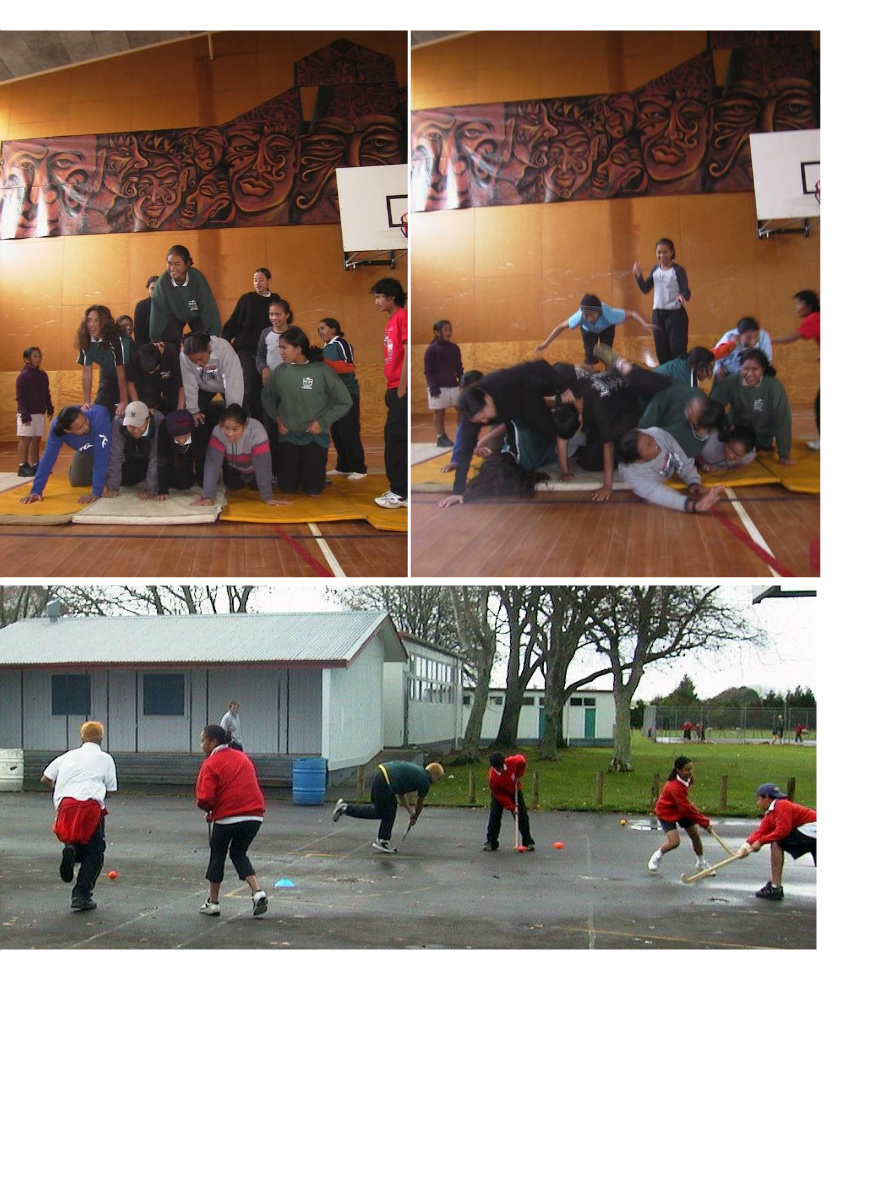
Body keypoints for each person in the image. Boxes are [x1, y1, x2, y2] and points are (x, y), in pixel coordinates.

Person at [438, 360, 578, 506]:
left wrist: (563, 389)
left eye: (484, 416)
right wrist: (458, 491)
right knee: (509, 437)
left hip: (529, 399)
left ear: (487, 399)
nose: (484, 421)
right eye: (480, 420)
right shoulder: (471, 418)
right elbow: (464, 450)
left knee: (552, 435)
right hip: (510, 414)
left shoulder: (499, 380)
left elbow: (539, 365)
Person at [261, 327, 352, 497]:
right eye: (280, 348)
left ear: (298, 348)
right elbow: (267, 397)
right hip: (288, 436)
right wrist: (277, 419)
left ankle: (316, 475)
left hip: (314, 437)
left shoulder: (323, 371)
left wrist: (322, 422)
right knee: (287, 488)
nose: (281, 352)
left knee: (314, 490)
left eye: (284, 347)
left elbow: (345, 401)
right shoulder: (280, 371)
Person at [41, 720, 117, 912]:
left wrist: (58, 790)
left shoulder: (67, 756)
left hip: (66, 805)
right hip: (90, 807)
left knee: (76, 840)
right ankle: (81, 895)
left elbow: (45, 778)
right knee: (95, 853)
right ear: (101, 738)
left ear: (82, 736)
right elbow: (111, 789)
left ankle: (72, 851)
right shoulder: (105, 759)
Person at [195, 724, 268, 917]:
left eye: (203, 740)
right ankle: (257, 892)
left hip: (228, 816)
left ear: (213, 742)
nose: (201, 745)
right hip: (255, 815)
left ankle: (213, 902)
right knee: (238, 853)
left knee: (217, 855)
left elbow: (205, 797)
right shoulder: (242, 757)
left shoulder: (211, 763)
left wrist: (209, 811)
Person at [332, 761, 445, 854]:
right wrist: (415, 816)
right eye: (438, 778)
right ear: (434, 775)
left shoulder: (418, 773)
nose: (437, 782)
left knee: (390, 807)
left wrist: (410, 812)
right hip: (385, 780)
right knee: (380, 811)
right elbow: (420, 802)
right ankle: (345, 808)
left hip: (382, 773)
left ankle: (383, 839)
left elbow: (401, 793)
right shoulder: (425, 781)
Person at [192, 404, 290, 508]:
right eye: (226, 428)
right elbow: (212, 464)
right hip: (233, 466)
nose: (230, 434)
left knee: (257, 486)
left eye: (235, 429)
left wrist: (268, 497)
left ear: (244, 425)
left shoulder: (257, 431)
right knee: (232, 485)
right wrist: (208, 497)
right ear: (222, 425)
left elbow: (262, 465)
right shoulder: (218, 431)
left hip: (254, 466)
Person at [711, 349, 794, 465]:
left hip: (760, 438)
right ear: (740, 367)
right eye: (746, 369)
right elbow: (713, 406)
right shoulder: (732, 381)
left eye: (755, 369)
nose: (750, 374)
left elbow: (782, 419)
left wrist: (784, 454)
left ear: (763, 370)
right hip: (734, 432)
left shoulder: (774, 387)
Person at [736, 782, 816, 900]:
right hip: (810, 832)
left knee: (778, 842)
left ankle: (775, 887)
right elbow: (761, 831)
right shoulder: (771, 813)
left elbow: (782, 831)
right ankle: (775, 886)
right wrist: (745, 846)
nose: (758, 803)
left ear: (766, 797)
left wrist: (761, 842)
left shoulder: (782, 805)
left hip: (812, 829)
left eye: (759, 799)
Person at [180, 331, 245, 476]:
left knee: (239, 422)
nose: (198, 363)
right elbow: (189, 383)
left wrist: (233, 415)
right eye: (194, 361)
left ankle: (236, 467)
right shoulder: (184, 355)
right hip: (203, 386)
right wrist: (193, 410)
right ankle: (201, 469)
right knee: (194, 421)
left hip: (227, 384)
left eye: (201, 359)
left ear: (208, 348)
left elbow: (233, 382)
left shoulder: (224, 349)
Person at [615, 427, 725, 512]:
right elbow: (660, 494)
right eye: (649, 445)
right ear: (639, 460)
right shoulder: (635, 477)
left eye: (650, 438)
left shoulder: (657, 434)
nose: (654, 443)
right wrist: (694, 506)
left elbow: (680, 456)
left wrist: (693, 481)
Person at [20, 404, 112, 505]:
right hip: (86, 449)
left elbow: (101, 456)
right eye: (80, 428)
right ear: (67, 431)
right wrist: (36, 490)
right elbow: (48, 457)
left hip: (110, 448)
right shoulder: (57, 428)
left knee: (116, 478)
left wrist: (96, 492)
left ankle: (109, 474)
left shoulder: (99, 416)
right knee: (78, 481)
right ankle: (100, 474)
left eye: (86, 421)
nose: (86, 427)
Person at [222, 267, 280, 420]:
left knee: (268, 386)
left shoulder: (275, 300)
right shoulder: (246, 299)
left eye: (261, 280)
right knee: (250, 384)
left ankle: (269, 421)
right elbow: (234, 322)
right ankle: (253, 420)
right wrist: (225, 340)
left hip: (268, 349)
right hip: (246, 348)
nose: (258, 283)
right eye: (255, 280)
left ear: (269, 281)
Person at [370, 277, 408, 509]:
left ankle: (400, 493)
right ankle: (400, 489)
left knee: (396, 440)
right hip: (394, 388)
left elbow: (408, 351)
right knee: (394, 438)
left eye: (378, 297)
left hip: (401, 389)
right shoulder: (391, 321)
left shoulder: (402, 317)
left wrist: (402, 387)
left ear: (391, 297)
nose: (376, 302)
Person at [534, 291, 655, 364]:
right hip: (588, 331)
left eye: (591, 315)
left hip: (606, 328)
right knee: (589, 356)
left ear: (599, 313)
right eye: (585, 315)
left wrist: (644, 323)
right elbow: (561, 327)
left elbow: (633, 313)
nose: (588, 318)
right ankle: (591, 378)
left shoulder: (608, 313)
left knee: (607, 353)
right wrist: (546, 343)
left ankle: (608, 376)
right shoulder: (580, 316)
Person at [317, 317, 367, 479]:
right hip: (332, 397)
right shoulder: (324, 348)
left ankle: (359, 467)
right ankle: (344, 465)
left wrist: (324, 362)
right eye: (318, 329)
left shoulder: (341, 343)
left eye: (323, 328)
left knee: (349, 429)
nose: (320, 332)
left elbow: (348, 366)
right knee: (337, 431)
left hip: (347, 393)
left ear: (333, 329)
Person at [771, 289, 820, 451]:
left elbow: (794, 336)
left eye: (798, 303)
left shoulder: (814, 318)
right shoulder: (818, 317)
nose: (796, 307)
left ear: (808, 305)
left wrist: (769, 340)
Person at [647, 756, 712, 874]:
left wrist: (688, 805)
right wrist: (704, 822)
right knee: (674, 842)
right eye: (687, 770)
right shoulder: (674, 787)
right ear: (678, 770)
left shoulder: (688, 779)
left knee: (695, 835)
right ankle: (657, 855)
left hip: (680, 809)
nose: (690, 772)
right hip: (666, 812)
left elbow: (684, 804)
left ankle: (701, 863)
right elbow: (686, 808)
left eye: (691, 769)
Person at [632, 237, 692, 363]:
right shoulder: (655, 269)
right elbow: (645, 288)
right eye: (659, 252)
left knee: (677, 349)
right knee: (661, 350)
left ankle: (679, 374)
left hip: (675, 314)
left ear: (672, 252)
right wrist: (638, 275)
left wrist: (682, 296)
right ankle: (665, 374)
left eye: (665, 252)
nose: (662, 255)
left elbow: (686, 291)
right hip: (658, 314)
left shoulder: (678, 270)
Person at [149, 243, 222, 343]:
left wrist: (214, 335)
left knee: (202, 342)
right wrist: (155, 338)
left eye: (177, 264)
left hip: (196, 314)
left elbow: (208, 307)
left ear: (187, 264)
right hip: (174, 315)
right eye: (169, 264)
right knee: (169, 343)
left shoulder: (197, 278)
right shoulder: (163, 282)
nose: (172, 268)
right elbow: (158, 312)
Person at [105, 400, 170, 500]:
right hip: (134, 456)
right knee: (125, 481)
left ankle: (151, 478)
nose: (135, 430)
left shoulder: (159, 421)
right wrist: (112, 487)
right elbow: (115, 455)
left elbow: (155, 457)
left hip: (154, 457)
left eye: (139, 425)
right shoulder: (118, 422)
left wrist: (151, 489)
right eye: (131, 426)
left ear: (148, 420)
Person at [76, 304, 128, 416]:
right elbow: (87, 372)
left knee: (126, 408)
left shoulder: (115, 338)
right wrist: (86, 402)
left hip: (129, 372)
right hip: (108, 372)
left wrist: (123, 401)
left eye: (96, 321)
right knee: (101, 407)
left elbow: (121, 372)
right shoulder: (86, 340)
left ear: (104, 323)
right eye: (89, 320)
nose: (91, 324)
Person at [483, 751, 535, 852]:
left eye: (501, 766)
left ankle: (527, 841)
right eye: (497, 768)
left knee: (522, 816)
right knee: (494, 816)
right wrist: (512, 807)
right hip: (500, 794)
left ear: (504, 762)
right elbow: (499, 795)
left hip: (515, 790)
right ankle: (491, 842)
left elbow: (522, 760)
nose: (500, 769)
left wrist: (519, 774)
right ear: (494, 767)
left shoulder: (511, 762)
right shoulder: (492, 777)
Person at [424, 319, 464, 448]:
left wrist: (462, 382)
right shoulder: (431, 350)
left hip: (453, 385)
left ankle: (462, 435)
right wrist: (433, 387)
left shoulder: (454, 348)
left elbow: (459, 367)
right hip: (438, 386)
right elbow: (428, 371)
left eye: (450, 329)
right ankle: (441, 437)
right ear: (437, 332)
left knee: (462, 408)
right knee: (439, 411)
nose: (449, 332)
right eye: (445, 329)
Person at [15, 345, 53, 477]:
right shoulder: (23, 376)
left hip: (39, 413)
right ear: (26, 359)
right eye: (35, 356)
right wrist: (24, 414)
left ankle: (35, 464)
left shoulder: (42, 375)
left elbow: (46, 393)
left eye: (39, 356)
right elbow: (20, 397)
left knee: (36, 439)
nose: (38, 358)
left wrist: (49, 407)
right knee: (26, 439)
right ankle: (22, 465)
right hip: (27, 413)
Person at [130, 340, 184, 415]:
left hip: (172, 384)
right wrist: (138, 407)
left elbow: (182, 384)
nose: (152, 373)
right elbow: (130, 383)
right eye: (148, 371)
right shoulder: (137, 355)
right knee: (146, 408)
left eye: (155, 369)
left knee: (177, 408)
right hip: (149, 385)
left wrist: (180, 410)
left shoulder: (173, 353)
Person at [133, 275, 159, 345]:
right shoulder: (141, 306)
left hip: (165, 346)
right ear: (148, 289)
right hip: (146, 346)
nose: (155, 292)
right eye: (152, 288)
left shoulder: (168, 306)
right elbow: (138, 332)